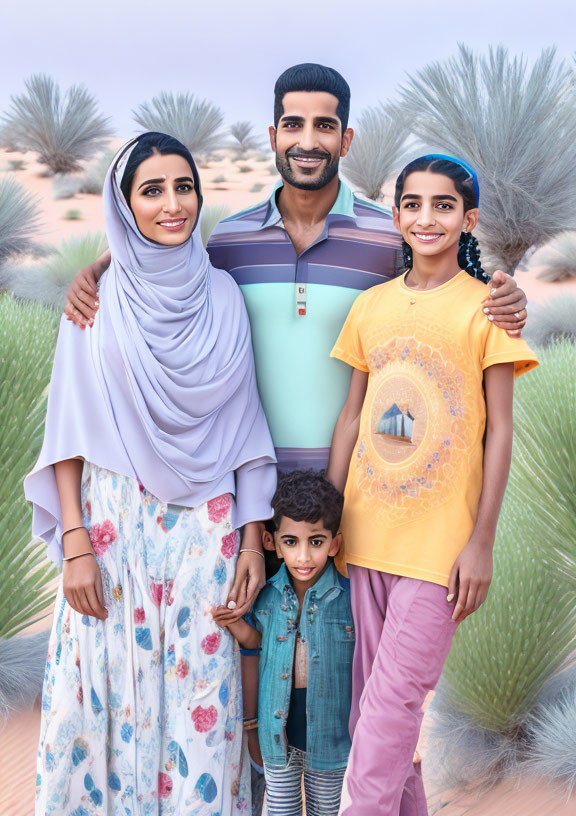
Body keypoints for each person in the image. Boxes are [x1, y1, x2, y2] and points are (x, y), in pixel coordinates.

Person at [62, 64, 528, 809]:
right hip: (246, 503)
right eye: (292, 124)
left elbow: (448, 281)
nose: (307, 141)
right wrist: (99, 265)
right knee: (254, 686)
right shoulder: (234, 238)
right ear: (274, 132)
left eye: (323, 126)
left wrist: (506, 291)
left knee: (351, 703)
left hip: (354, 512)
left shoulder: (386, 231)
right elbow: (166, 258)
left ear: (346, 137)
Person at [25, 132, 277, 815]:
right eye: (152, 190)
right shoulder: (94, 303)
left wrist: (254, 541)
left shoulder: (224, 297)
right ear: (123, 204)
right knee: (105, 703)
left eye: (184, 186)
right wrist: (74, 545)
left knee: (203, 706)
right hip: (111, 530)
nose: (173, 204)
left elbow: (246, 427)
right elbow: (68, 435)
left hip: (208, 534)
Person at [326, 154, 538, 816]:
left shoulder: (487, 313)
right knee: (378, 721)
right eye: (412, 204)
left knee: (388, 715)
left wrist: (481, 543)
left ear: (468, 219)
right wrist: (328, 514)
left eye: (443, 205)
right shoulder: (370, 307)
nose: (426, 218)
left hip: (437, 557)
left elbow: (499, 432)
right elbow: (353, 416)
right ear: (395, 216)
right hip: (362, 540)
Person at [212, 472, 353, 816]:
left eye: (316, 542)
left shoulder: (349, 599)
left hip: (333, 740)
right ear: (270, 541)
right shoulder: (267, 597)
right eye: (291, 542)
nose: (303, 556)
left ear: (334, 544)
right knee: (280, 809)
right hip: (278, 737)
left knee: (328, 811)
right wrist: (236, 626)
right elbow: (258, 645)